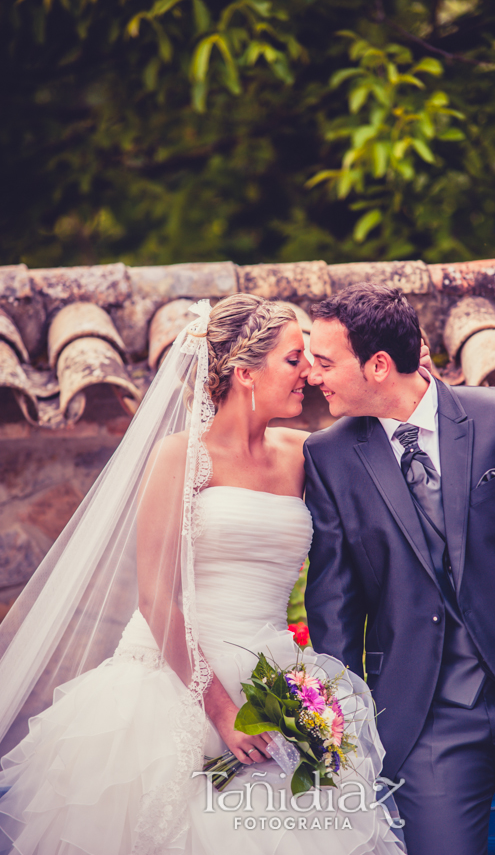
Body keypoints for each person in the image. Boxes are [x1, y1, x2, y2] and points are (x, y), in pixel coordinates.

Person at [0, 295, 401, 855]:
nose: (309, 372)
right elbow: (156, 598)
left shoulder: (305, 453)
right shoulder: (180, 457)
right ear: (244, 373)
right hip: (174, 682)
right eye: (293, 359)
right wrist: (222, 709)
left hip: (276, 675)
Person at [304, 282, 495, 855]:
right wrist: (347, 736)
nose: (313, 375)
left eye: (324, 361)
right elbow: (334, 610)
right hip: (424, 723)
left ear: (380, 365)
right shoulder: (329, 455)